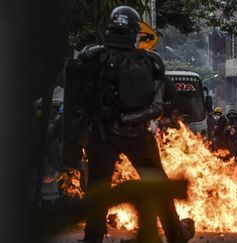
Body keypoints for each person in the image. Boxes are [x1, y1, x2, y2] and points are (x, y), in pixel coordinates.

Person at [67, 6, 193, 243]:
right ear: (136, 32)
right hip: (138, 135)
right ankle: (175, 235)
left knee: (98, 191)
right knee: (159, 187)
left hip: (103, 134)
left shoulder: (92, 57)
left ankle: (93, 238)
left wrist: (73, 141)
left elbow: (77, 100)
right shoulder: (150, 61)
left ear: (110, 29)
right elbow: (169, 93)